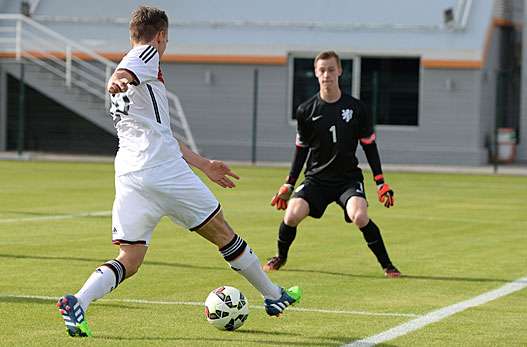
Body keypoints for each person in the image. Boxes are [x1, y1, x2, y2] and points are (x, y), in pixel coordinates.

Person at [56, 6, 301, 337]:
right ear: (159, 36)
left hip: (130, 173)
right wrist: (118, 80)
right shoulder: (144, 56)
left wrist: (204, 164)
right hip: (161, 170)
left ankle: (78, 301)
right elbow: (125, 74)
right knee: (221, 230)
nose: (166, 45)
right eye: (167, 39)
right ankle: (273, 296)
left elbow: (161, 132)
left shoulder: (134, 69)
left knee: (130, 257)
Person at [264, 51, 401, 278]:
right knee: (291, 215)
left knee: (359, 216)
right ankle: (281, 256)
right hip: (316, 179)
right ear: (316, 73)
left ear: (339, 71)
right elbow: (301, 150)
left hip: (348, 179)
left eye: (330, 69)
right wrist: (288, 184)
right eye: (321, 70)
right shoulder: (305, 111)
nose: (326, 74)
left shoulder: (357, 109)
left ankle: (388, 265)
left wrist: (380, 182)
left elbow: (369, 146)